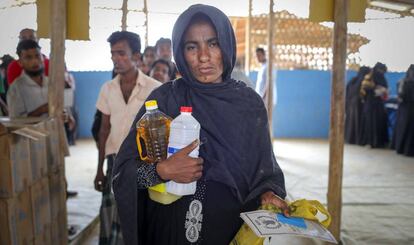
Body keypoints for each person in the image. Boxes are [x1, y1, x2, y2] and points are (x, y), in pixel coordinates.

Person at [113, 4, 289, 245]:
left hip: (230, 231)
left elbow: (265, 174)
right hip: (170, 232)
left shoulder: (248, 105)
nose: (204, 56)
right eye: (192, 46)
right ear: (180, 53)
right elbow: (124, 174)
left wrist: (268, 194)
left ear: (226, 45)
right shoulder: (164, 100)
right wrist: (162, 171)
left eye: (213, 43)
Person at [94, 31, 161, 245]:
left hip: (141, 163)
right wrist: (99, 169)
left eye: (122, 53)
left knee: (137, 215)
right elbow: (104, 130)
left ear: (137, 57)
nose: (116, 58)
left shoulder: (154, 89)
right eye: (113, 53)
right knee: (110, 214)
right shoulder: (108, 89)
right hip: (114, 162)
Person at [7, 40, 49, 118]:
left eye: (37, 56)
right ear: (20, 62)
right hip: (31, 130)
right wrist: (41, 110)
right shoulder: (16, 88)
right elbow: (15, 121)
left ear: (43, 58)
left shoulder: (52, 83)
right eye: (28, 57)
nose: (35, 61)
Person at [359, 62, 389, 148]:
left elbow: (385, 90)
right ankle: (372, 142)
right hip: (373, 104)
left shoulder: (373, 77)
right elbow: (364, 90)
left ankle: (375, 142)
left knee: (375, 122)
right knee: (372, 123)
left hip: (375, 104)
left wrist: (382, 91)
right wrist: (377, 91)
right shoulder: (369, 78)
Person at [345, 66, 370, 145]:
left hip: (350, 104)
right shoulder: (364, 81)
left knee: (351, 121)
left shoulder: (353, 80)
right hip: (359, 104)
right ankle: (358, 140)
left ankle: (350, 139)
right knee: (358, 122)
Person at [393, 64, 414, 156]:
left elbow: (400, 97)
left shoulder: (401, 81)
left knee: (402, 128)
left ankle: (400, 148)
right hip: (409, 109)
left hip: (403, 109)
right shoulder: (406, 82)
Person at [255, 47, 277, 112]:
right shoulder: (262, 67)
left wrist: (264, 96)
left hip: (266, 99)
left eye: (259, 55)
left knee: (266, 120)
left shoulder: (269, 66)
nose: (257, 58)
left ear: (264, 54)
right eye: (256, 56)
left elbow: (270, 83)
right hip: (261, 99)